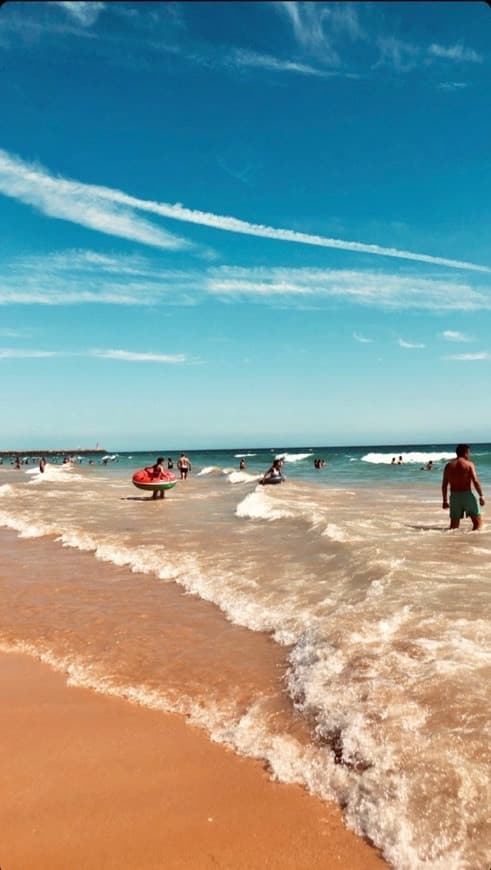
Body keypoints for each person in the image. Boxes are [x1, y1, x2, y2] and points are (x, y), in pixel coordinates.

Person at [442, 444, 485, 531]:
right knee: (478, 524)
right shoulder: (469, 464)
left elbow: (444, 485)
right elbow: (475, 481)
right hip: (467, 495)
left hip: (454, 497)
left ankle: (454, 543)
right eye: (468, 453)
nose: (469, 455)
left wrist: (445, 500)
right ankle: (473, 541)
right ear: (465, 453)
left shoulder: (448, 466)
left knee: (453, 527)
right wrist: (481, 496)